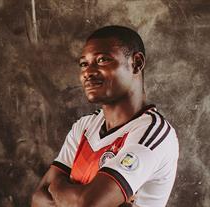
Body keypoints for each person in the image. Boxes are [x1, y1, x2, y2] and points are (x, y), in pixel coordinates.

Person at [31, 25, 179, 207]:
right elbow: (38, 200)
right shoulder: (85, 126)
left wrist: (57, 186)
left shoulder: (153, 133)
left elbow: (89, 204)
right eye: (84, 64)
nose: (88, 72)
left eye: (102, 60)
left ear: (136, 63)